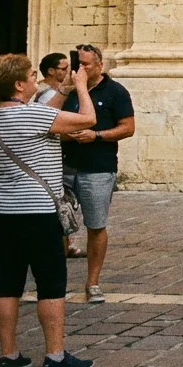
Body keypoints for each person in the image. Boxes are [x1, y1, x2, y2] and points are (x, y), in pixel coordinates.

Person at [0, 54, 98, 367]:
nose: (35, 81)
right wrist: (81, 87)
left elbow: (45, 114)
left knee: (6, 284)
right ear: (18, 84)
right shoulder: (33, 115)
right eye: (30, 76)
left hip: (3, 212)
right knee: (50, 283)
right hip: (39, 212)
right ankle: (55, 356)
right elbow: (88, 119)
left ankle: (9, 356)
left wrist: (63, 89)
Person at [59, 44, 135, 304]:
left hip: (98, 168)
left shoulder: (115, 91)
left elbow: (128, 127)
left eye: (86, 64)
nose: (80, 69)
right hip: (64, 166)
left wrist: (97, 135)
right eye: (77, 63)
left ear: (100, 65)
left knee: (96, 224)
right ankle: (57, 280)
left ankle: (92, 282)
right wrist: (68, 134)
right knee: (58, 226)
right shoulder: (67, 92)